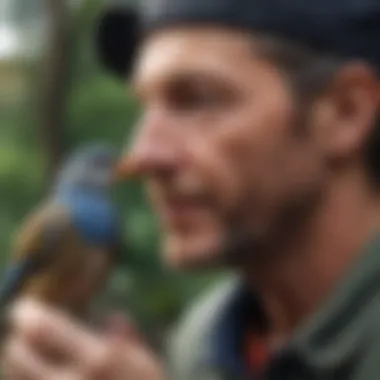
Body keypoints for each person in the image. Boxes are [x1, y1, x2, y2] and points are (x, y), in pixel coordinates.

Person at [2, 0, 380, 379]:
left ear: (345, 112)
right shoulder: (203, 340)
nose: (143, 155)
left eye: (197, 100)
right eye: (146, 107)